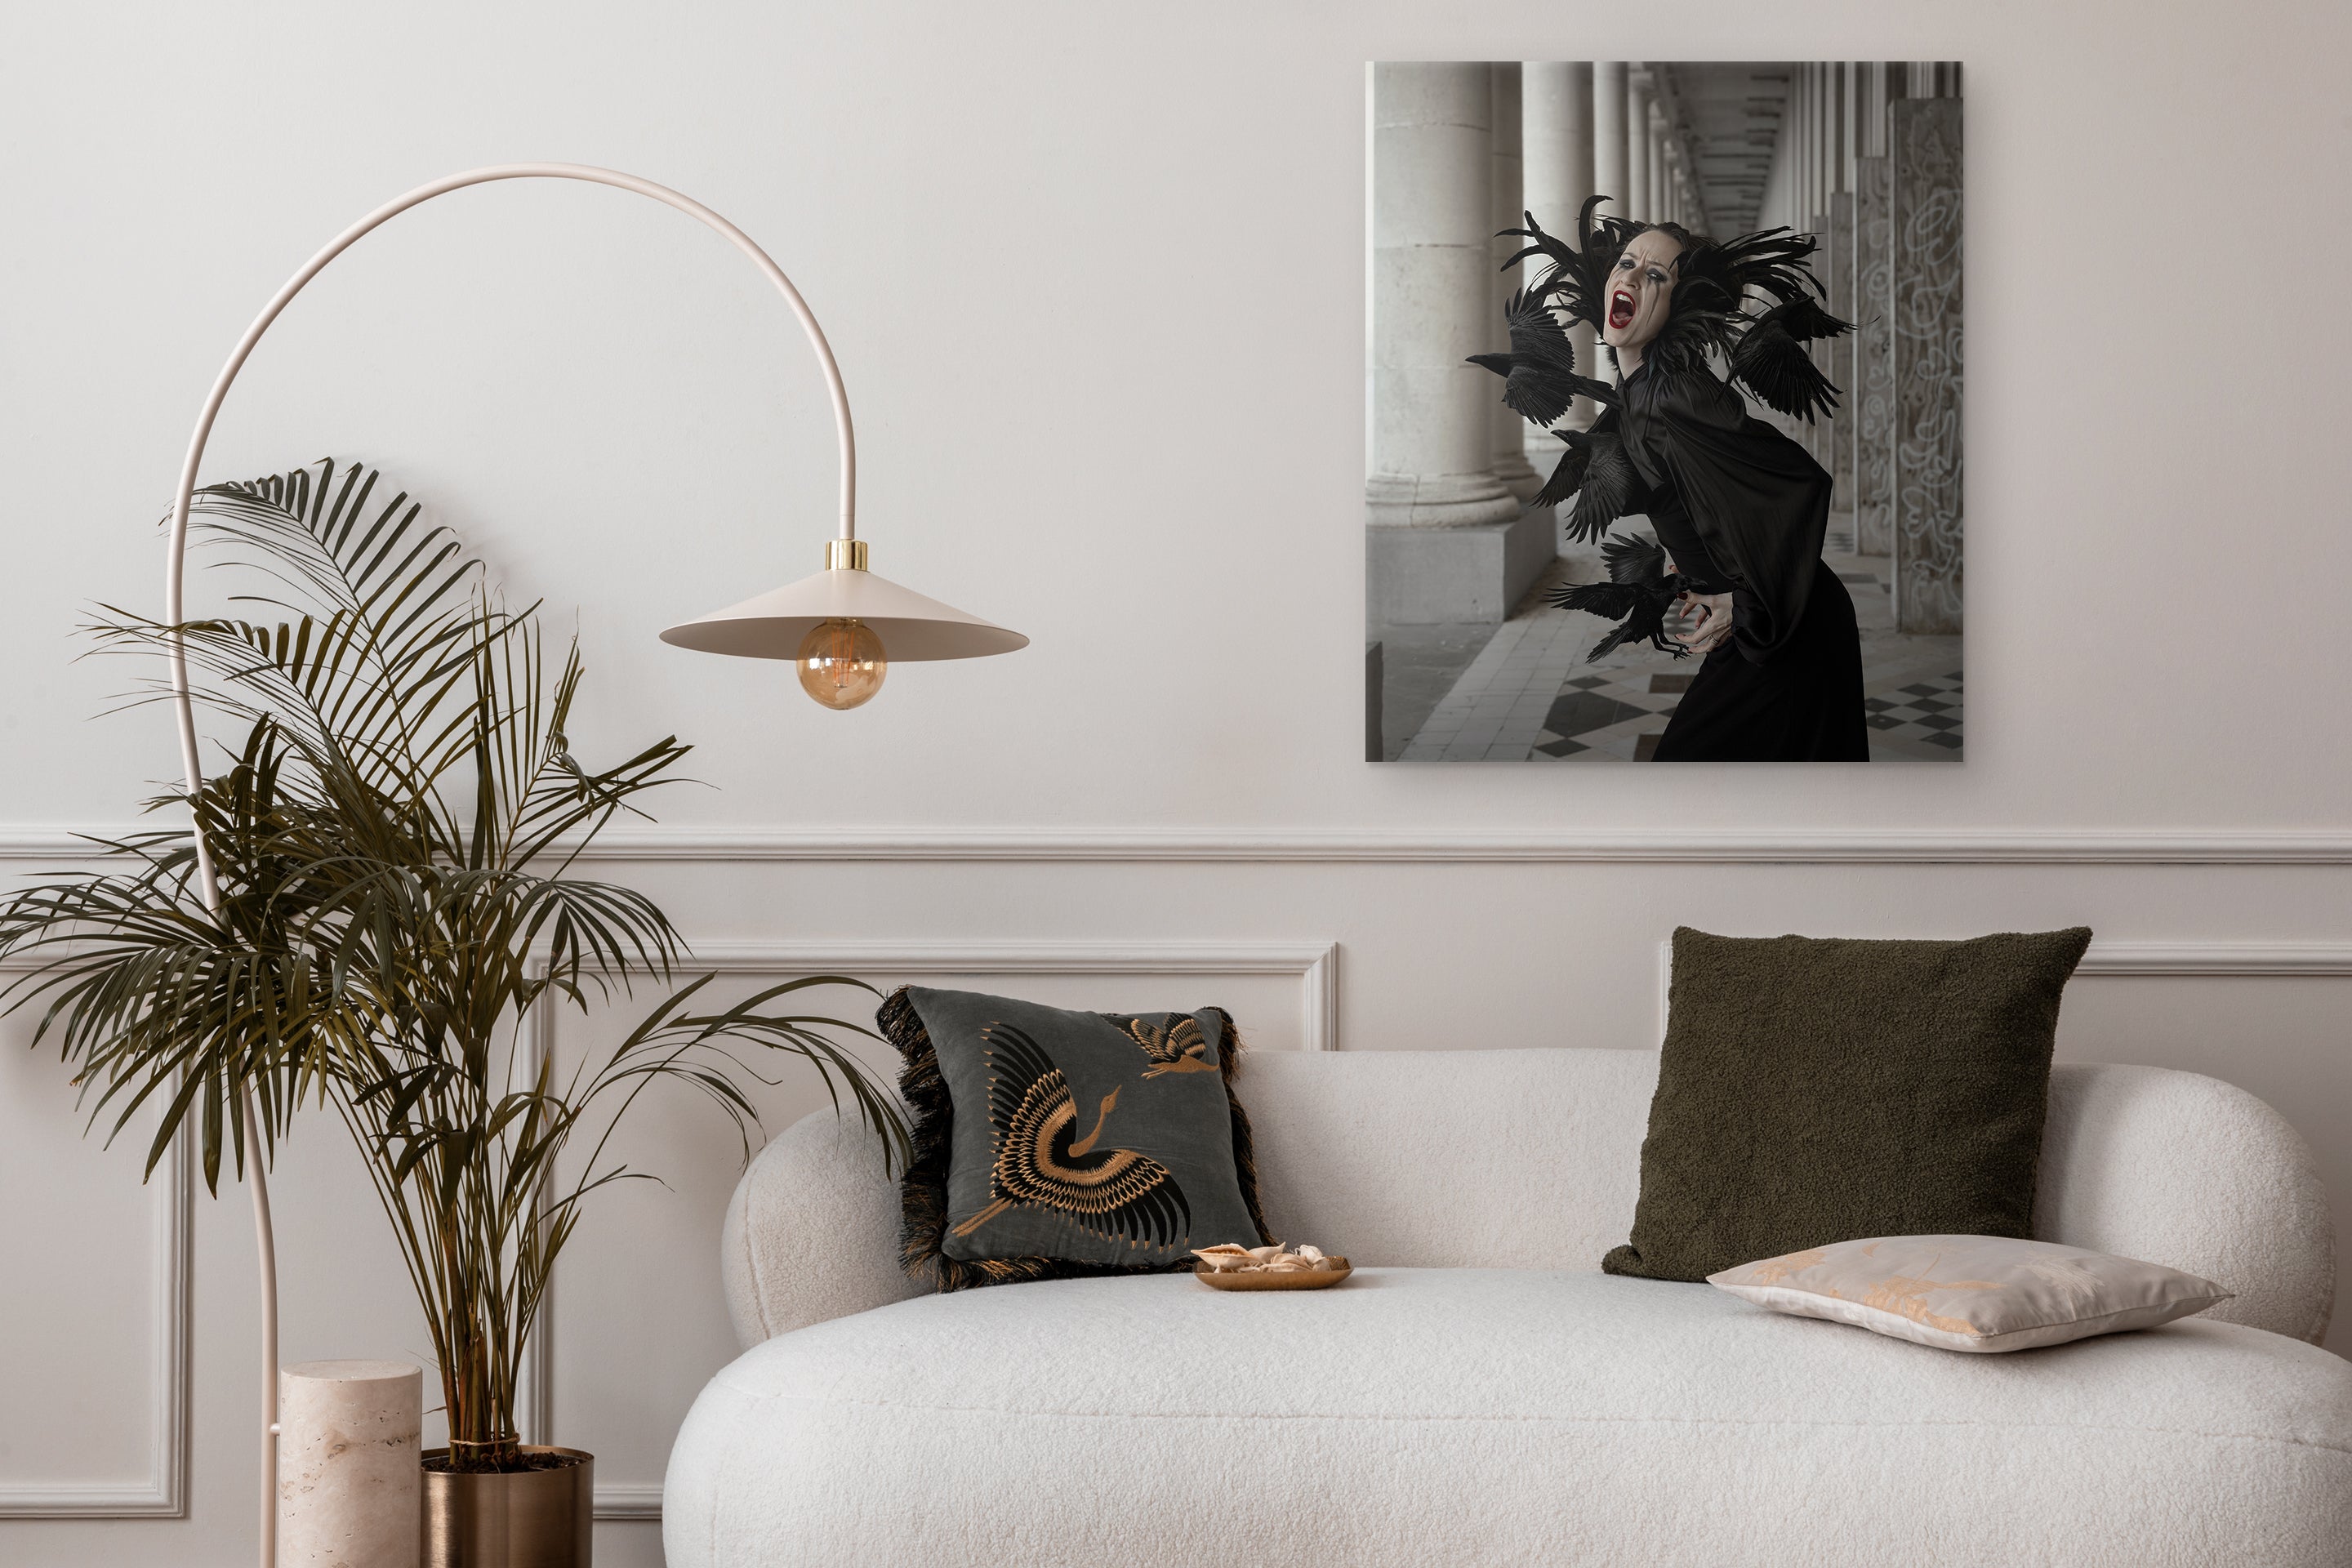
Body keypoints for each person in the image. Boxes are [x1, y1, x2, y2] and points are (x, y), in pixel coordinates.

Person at [1494, 203, 1870, 762]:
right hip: (1773, 620)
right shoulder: (1642, 390)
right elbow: (1692, 487)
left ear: (1676, 305)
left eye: (1656, 276)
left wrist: (1740, 594)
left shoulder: (1672, 395)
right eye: (1627, 263)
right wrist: (1683, 552)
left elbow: (1799, 482)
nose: (1631, 278)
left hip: (1787, 625)